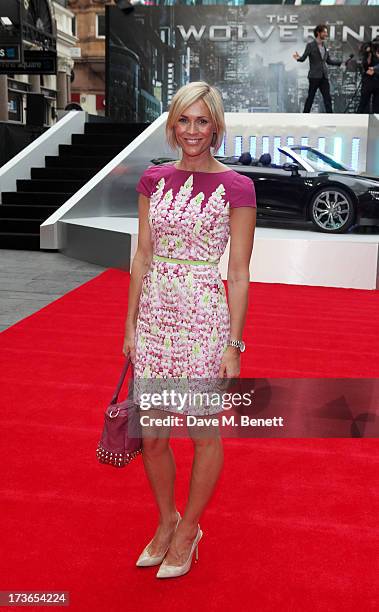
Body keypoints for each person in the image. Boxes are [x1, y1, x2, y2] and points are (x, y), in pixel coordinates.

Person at [122, 81, 256, 579]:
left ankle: (189, 529)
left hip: (203, 318)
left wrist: (233, 346)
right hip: (156, 316)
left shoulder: (239, 187)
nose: (192, 130)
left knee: (202, 432)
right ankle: (166, 521)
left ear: (216, 127)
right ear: (172, 124)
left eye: (202, 121)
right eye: (184, 120)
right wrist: (130, 324)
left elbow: (239, 273)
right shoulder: (153, 181)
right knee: (153, 437)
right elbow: (142, 255)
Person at [293, 24, 342, 113]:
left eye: (326, 32)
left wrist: (340, 63)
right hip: (314, 76)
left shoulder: (325, 46)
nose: (326, 34)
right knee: (310, 98)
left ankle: (331, 118)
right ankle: (304, 116)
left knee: (327, 98)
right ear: (318, 33)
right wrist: (298, 58)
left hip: (324, 76)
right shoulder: (310, 45)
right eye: (324, 32)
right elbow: (303, 58)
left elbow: (328, 61)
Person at [357, 44, 379, 113]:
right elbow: (365, 65)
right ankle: (359, 119)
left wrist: (374, 69)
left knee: (377, 105)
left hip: (377, 80)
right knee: (363, 104)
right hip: (368, 81)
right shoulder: (368, 53)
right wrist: (368, 53)